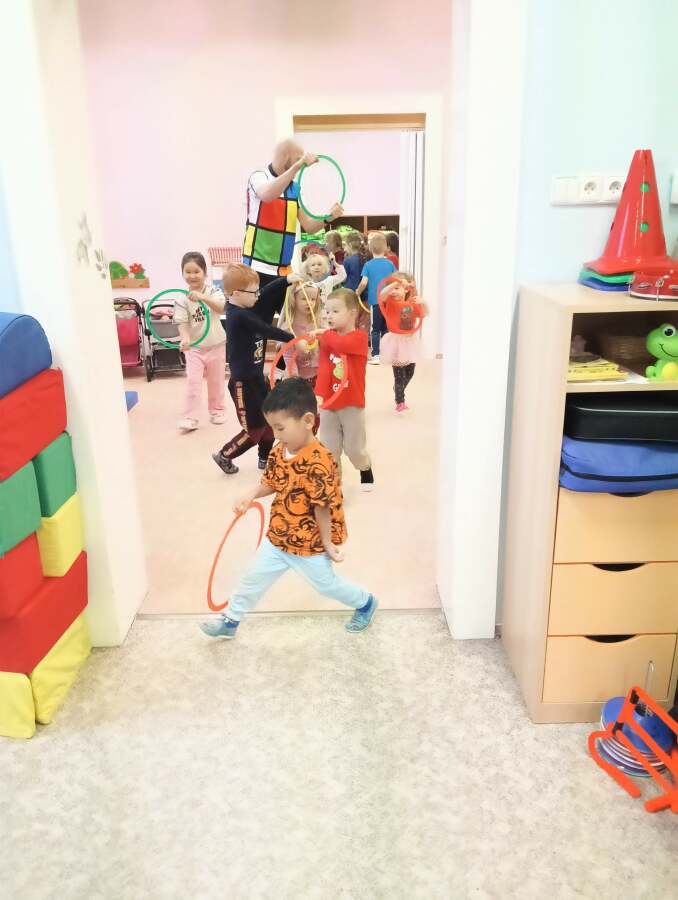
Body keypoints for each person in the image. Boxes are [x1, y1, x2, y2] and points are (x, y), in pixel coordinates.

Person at [200, 377, 378, 639]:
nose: (275, 434)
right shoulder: (278, 450)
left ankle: (365, 602)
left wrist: (327, 543)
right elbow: (272, 482)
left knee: (327, 586)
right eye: (273, 427)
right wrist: (251, 493)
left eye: (280, 428)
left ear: (307, 421)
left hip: (309, 544)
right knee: (252, 579)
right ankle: (231, 620)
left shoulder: (320, 461)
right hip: (278, 536)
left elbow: (322, 507)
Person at [243, 140, 344, 344]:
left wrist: (329, 217)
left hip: (284, 272)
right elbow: (267, 195)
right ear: (287, 159)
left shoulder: (295, 188)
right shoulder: (259, 177)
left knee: (294, 326)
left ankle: (289, 365)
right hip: (257, 269)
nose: (302, 163)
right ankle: (258, 366)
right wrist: (298, 165)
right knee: (258, 331)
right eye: (298, 158)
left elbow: (309, 226)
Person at [211, 264, 298, 475]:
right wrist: (293, 339)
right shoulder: (239, 315)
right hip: (242, 384)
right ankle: (224, 455)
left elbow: (266, 292)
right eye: (253, 292)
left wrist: (286, 280)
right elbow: (266, 329)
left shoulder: (246, 305)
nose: (258, 296)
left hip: (257, 379)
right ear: (236, 294)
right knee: (254, 430)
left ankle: (264, 458)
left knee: (269, 422)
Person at [316, 288, 374, 492]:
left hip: (352, 403)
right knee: (329, 449)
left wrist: (324, 335)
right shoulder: (328, 338)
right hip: (329, 404)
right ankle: (334, 487)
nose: (328, 316)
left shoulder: (359, 338)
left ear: (352, 313)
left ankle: (365, 467)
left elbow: (341, 345)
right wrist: (320, 395)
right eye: (327, 311)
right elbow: (324, 367)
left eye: (335, 311)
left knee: (354, 449)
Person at [175, 251, 227, 433]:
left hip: (216, 344)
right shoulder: (181, 298)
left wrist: (202, 297)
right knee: (193, 382)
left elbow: (222, 308)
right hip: (195, 348)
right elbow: (182, 323)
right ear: (182, 274)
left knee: (216, 381)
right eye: (188, 272)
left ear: (205, 272)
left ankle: (217, 410)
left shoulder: (214, 291)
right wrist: (185, 338)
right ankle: (191, 417)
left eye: (196, 271)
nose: (192, 276)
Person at [379, 272, 428, 412]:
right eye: (392, 288)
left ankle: (398, 389)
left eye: (397, 288)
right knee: (399, 375)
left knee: (410, 372)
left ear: (406, 289)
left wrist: (424, 303)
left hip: (409, 342)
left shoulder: (412, 303)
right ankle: (400, 401)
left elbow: (424, 314)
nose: (393, 291)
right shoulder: (390, 302)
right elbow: (382, 294)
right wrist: (396, 282)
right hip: (395, 342)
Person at [356, 232, 396, 364]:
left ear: (370, 249)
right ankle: (386, 354)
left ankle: (376, 355)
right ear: (385, 249)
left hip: (376, 302)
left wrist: (357, 292)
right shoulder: (390, 264)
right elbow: (395, 280)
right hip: (389, 302)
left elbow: (363, 283)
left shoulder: (368, 265)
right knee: (386, 328)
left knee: (375, 329)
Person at [281, 280, 322, 387]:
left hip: (319, 375)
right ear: (294, 299)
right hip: (298, 377)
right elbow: (288, 356)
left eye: (313, 299)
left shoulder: (318, 322)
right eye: (304, 299)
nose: (309, 302)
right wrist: (294, 379)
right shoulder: (288, 328)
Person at [301, 249, 346, 326]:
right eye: (313, 265)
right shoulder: (307, 283)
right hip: (311, 314)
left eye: (319, 264)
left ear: (324, 268)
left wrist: (335, 263)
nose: (316, 267)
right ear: (308, 270)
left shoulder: (329, 280)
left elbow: (342, 276)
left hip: (326, 314)